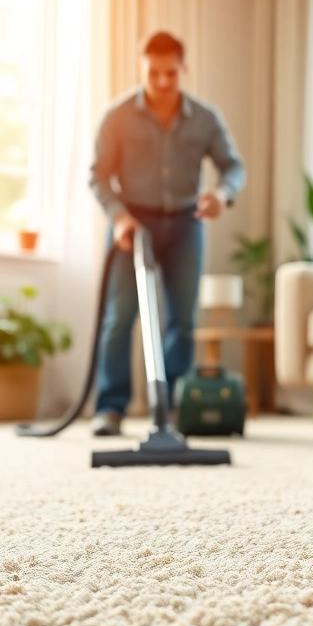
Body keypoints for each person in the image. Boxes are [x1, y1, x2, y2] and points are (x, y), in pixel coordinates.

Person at [87, 31, 245, 436]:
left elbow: (233, 168)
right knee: (119, 317)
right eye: (153, 73)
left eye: (170, 74)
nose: (161, 82)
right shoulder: (118, 116)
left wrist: (222, 196)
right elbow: (98, 176)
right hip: (132, 224)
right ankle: (111, 408)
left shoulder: (205, 118)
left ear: (183, 70)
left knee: (181, 321)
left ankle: (170, 408)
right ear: (142, 68)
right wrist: (119, 217)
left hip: (185, 222)